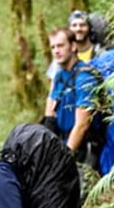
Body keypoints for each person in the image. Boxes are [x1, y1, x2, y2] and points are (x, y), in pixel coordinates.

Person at [43, 28, 103, 171]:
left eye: (61, 45)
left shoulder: (85, 77)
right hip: (62, 143)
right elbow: (50, 110)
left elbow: (82, 125)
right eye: (53, 47)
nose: (56, 51)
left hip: (84, 148)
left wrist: (66, 158)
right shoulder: (59, 75)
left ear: (73, 46)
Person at [45, 10, 108, 82]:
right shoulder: (63, 55)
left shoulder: (100, 52)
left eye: (82, 25)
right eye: (74, 25)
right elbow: (54, 84)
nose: (78, 29)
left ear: (89, 28)